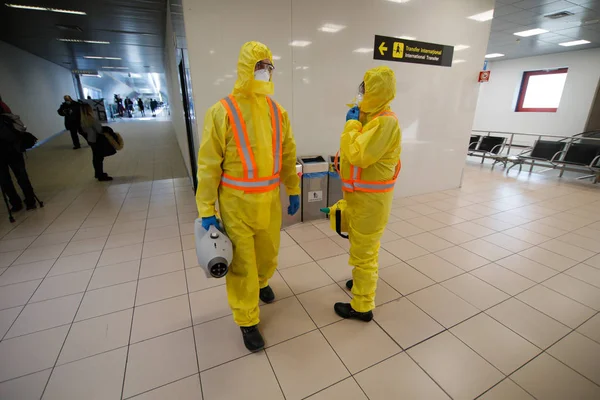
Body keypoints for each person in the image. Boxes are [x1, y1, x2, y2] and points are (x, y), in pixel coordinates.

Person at [196, 41, 300, 351]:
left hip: (268, 201)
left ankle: (263, 282)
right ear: (245, 68)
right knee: (242, 263)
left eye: (269, 66)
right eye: (259, 66)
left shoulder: (276, 110)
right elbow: (208, 165)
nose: (266, 72)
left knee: (267, 254)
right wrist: (206, 208)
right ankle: (247, 320)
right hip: (235, 203)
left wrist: (292, 187)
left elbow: (288, 151)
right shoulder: (221, 111)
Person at [334, 66, 402, 322]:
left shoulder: (385, 122)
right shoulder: (371, 118)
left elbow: (358, 155)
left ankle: (362, 306)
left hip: (371, 202)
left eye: (365, 87)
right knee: (361, 248)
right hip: (360, 199)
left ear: (376, 90)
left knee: (365, 253)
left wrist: (351, 124)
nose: (360, 91)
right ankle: (361, 282)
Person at [0, 114, 37, 211]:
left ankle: (20, 203)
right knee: (16, 178)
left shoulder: (5, 119)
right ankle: (27, 201)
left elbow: (9, 135)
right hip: (14, 152)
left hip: (12, 152)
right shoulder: (7, 117)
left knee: (10, 180)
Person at [80, 103, 113, 181]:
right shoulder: (90, 119)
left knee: (96, 157)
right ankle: (100, 175)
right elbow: (99, 129)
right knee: (99, 158)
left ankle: (98, 173)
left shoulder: (83, 119)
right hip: (96, 139)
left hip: (90, 139)